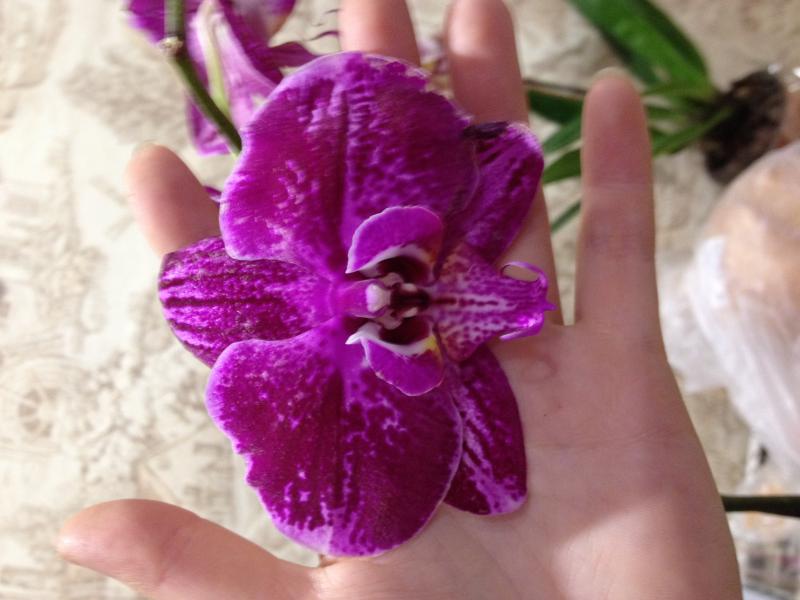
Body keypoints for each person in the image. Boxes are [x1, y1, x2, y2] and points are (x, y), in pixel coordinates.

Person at [56, 0, 743, 597]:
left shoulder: (437, 272)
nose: (387, 302)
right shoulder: (334, 337)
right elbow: (195, 299)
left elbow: (480, 155)